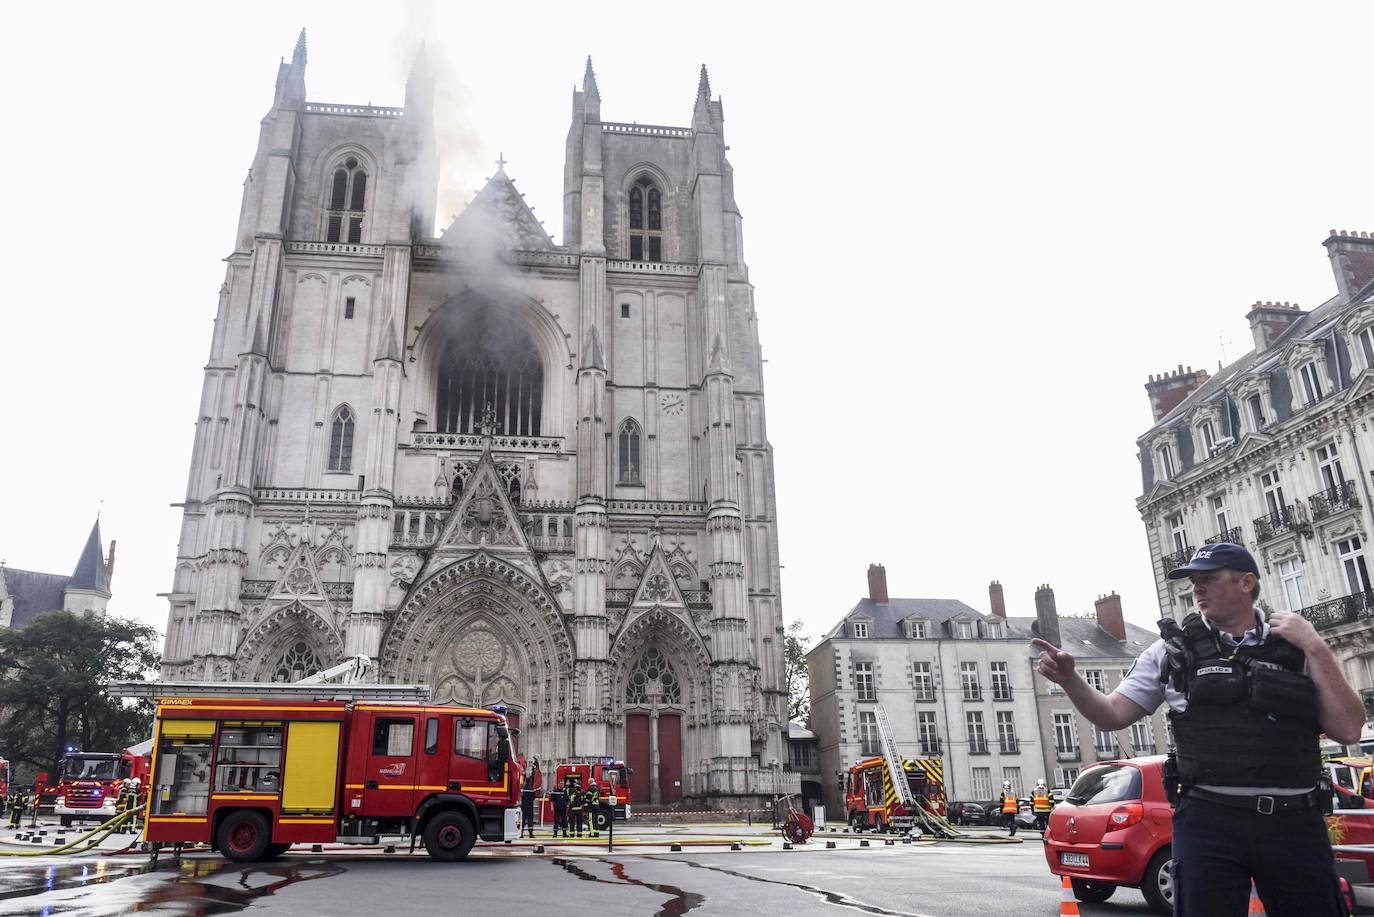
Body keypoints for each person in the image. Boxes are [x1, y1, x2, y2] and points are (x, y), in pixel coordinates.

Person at [1032, 542, 1363, 916]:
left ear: (1246, 582)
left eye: (1209, 578)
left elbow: (1350, 728)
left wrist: (1316, 647)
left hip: (1293, 821)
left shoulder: (1295, 644)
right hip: (1209, 820)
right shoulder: (1171, 651)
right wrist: (1070, 679)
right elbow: (1112, 714)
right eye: (1193, 581)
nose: (1197, 589)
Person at [520, 769, 537, 839]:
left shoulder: (523, 789)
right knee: (530, 820)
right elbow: (533, 797)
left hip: (523, 806)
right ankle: (531, 834)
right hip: (530, 806)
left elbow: (521, 796)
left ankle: (521, 833)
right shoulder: (532, 789)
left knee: (522, 820)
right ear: (530, 782)